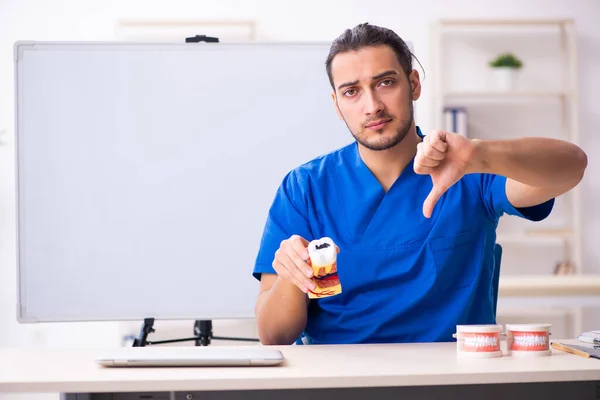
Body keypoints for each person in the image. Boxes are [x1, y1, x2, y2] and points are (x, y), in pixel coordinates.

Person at [252, 23, 587, 346]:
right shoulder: (306, 187)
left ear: (413, 83)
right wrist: (292, 276)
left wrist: (481, 154)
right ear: (337, 105)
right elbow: (273, 335)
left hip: (451, 380)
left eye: (385, 83)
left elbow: (571, 166)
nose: (372, 106)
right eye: (351, 92)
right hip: (340, 380)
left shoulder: (467, 168)